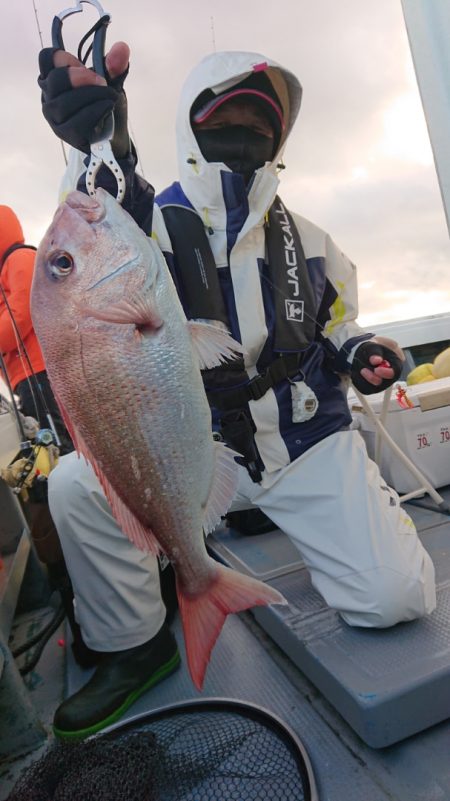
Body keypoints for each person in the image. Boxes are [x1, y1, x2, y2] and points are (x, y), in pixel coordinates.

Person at [37, 42, 436, 739]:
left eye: (260, 124)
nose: (245, 135)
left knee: (396, 598)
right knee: (73, 486)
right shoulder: (144, 223)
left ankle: (266, 527)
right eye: (227, 119)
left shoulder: (310, 240)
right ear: (191, 129)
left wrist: (367, 350)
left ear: (279, 139)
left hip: (305, 442)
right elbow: (96, 219)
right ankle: (136, 642)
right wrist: (95, 141)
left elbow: (341, 322)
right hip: (195, 449)